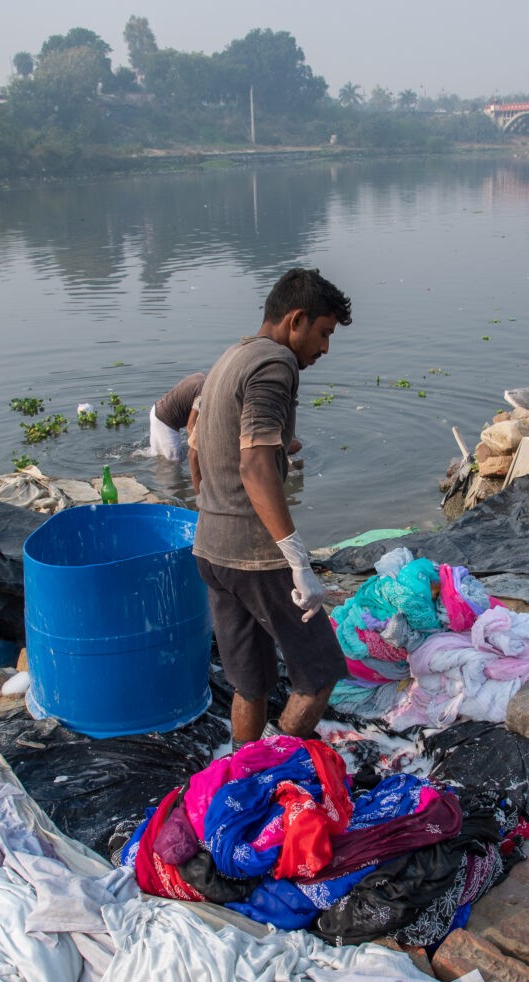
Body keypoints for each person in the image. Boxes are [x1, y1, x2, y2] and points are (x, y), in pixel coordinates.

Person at [190, 268, 352, 747]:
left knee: (251, 682)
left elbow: (198, 440)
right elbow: (255, 467)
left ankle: (242, 773)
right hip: (255, 557)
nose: (324, 349)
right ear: (296, 319)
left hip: (212, 551)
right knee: (319, 674)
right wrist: (297, 560)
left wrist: (208, 502)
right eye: (323, 333)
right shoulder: (275, 363)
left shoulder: (233, 356)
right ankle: (275, 766)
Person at [148, 372, 206, 461]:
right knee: (174, 463)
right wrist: (200, 454)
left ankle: (135, 457)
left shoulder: (202, 377)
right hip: (166, 422)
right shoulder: (203, 391)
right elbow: (191, 425)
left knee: (157, 456)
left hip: (156, 410)